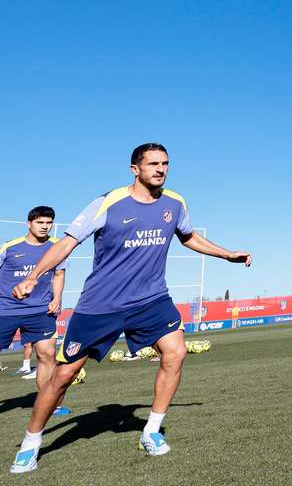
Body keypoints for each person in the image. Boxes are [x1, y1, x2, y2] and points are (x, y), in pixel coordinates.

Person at [9, 143, 252, 474]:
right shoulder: (108, 203)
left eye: (165, 163)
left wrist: (227, 255)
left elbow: (189, 236)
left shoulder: (175, 203)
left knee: (175, 352)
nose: (160, 169)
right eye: (153, 164)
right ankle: (31, 442)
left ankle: (151, 431)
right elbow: (66, 243)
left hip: (151, 299)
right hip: (101, 305)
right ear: (134, 169)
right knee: (63, 375)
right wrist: (34, 276)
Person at [0, 207, 69, 411]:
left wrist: (57, 298)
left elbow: (59, 274)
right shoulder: (9, 247)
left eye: (49, 223)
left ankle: (48, 405)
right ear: (28, 224)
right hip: (5, 310)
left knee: (47, 354)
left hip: (40, 311)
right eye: (40, 223)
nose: (45, 227)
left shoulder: (58, 247)